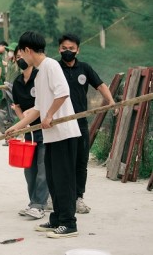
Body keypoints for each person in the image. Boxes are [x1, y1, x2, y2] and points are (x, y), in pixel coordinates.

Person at [6, 31, 81, 239]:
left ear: (28, 50)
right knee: (53, 178)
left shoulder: (51, 66)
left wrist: (50, 115)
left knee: (64, 179)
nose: (21, 58)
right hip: (52, 136)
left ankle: (69, 223)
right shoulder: (39, 73)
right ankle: (57, 218)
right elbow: (37, 109)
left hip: (64, 133)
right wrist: (17, 127)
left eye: (21, 53)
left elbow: (63, 92)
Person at [58, 33, 116, 214]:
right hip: (59, 124)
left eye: (71, 49)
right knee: (60, 162)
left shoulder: (84, 68)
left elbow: (100, 85)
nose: (67, 52)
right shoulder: (53, 68)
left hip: (80, 123)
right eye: (64, 48)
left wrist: (112, 102)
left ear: (78, 50)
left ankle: (78, 198)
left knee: (80, 162)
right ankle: (57, 197)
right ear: (59, 49)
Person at [11, 46, 49, 220]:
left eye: (22, 56)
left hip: (45, 130)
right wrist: (21, 125)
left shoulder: (40, 77)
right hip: (29, 133)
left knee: (43, 169)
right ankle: (34, 202)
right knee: (29, 171)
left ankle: (38, 205)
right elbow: (18, 107)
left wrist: (23, 122)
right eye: (17, 57)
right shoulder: (17, 83)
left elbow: (42, 107)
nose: (20, 59)